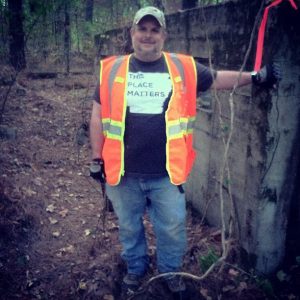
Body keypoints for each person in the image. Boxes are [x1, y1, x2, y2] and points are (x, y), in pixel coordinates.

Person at [89, 6, 280, 298]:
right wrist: (96, 158)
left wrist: (255, 76)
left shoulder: (182, 67)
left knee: (172, 230)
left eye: (155, 30)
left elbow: (217, 79)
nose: (148, 35)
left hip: (167, 173)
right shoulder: (112, 69)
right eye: (143, 29)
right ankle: (135, 269)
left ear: (164, 35)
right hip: (122, 172)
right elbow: (97, 115)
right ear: (133, 34)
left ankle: (171, 273)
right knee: (129, 229)